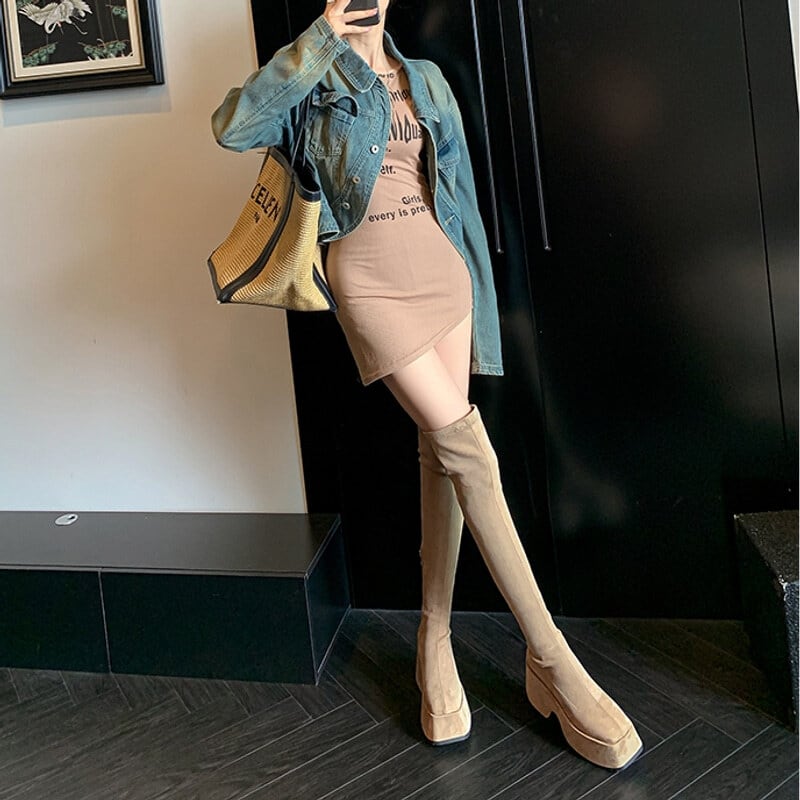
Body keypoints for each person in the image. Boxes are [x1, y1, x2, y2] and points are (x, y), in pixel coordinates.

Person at [212, 0, 643, 770]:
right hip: (370, 283)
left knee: (439, 453)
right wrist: (320, 37)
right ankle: (551, 659)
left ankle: (433, 642)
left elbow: (462, 200)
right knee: (469, 451)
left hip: (446, 276)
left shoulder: (430, 79)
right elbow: (233, 126)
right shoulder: (314, 75)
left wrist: (481, 296)